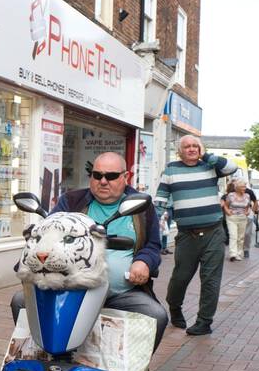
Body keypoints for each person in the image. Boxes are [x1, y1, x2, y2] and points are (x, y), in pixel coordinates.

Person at [54, 152, 168, 350]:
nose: (103, 181)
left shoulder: (141, 206)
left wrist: (144, 261)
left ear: (126, 177)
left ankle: (132, 369)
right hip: (73, 290)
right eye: (97, 175)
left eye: (111, 176)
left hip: (123, 293)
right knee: (21, 302)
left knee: (156, 316)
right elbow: (49, 237)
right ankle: (48, 357)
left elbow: (153, 245)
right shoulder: (71, 202)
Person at [155, 135, 238, 335]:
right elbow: (160, 199)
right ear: (180, 151)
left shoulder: (210, 166)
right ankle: (175, 308)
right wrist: (154, 222)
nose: (191, 149)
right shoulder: (171, 170)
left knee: (211, 279)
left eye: (195, 146)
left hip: (214, 232)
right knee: (180, 278)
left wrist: (207, 156)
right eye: (187, 146)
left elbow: (232, 167)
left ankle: (204, 322)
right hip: (186, 236)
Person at [221, 177, 254, 262]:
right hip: (232, 218)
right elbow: (225, 205)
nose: (245, 188)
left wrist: (247, 212)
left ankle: (239, 254)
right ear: (237, 188)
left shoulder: (247, 196)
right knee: (233, 236)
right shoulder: (231, 195)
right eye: (243, 187)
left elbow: (248, 206)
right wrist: (228, 212)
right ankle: (233, 254)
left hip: (243, 218)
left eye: (245, 186)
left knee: (241, 237)